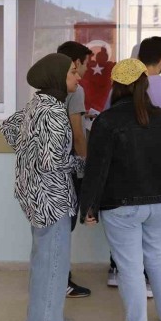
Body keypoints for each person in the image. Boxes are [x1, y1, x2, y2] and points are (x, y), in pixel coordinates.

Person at [80, 59, 161, 321]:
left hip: (121, 206)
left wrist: (89, 206)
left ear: (115, 86)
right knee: (158, 258)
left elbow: (97, 168)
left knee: (130, 267)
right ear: (144, 83)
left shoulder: (107, 121)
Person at [0, 53, 84, 321]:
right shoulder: (55, 112)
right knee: (53, 270)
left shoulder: (37, 103)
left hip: (35, 196)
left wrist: (28, 155)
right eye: (73, 72)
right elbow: (53, 162)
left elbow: (8, 128)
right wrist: (83, 165)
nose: (78, 77)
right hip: (52, 200)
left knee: (43, 264)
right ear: (56, 76)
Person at [106, 36, 161, 293]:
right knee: (155, 240)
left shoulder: (123, 86)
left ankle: (116, 270)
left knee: (125, 236)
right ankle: (152, 281)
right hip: (159, 170)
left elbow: (109, 117)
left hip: (125, 168)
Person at [56, 41, 94, 299]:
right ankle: (62, 280)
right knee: (64, 226)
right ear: (76, 62)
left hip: (52, 167)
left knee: (53, 228)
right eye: (85, 64)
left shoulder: (47, 87)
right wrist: (85, 167)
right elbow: (78, 135)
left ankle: (55, 276)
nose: (85, 70)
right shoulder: (75, 90)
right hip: (69, 165)